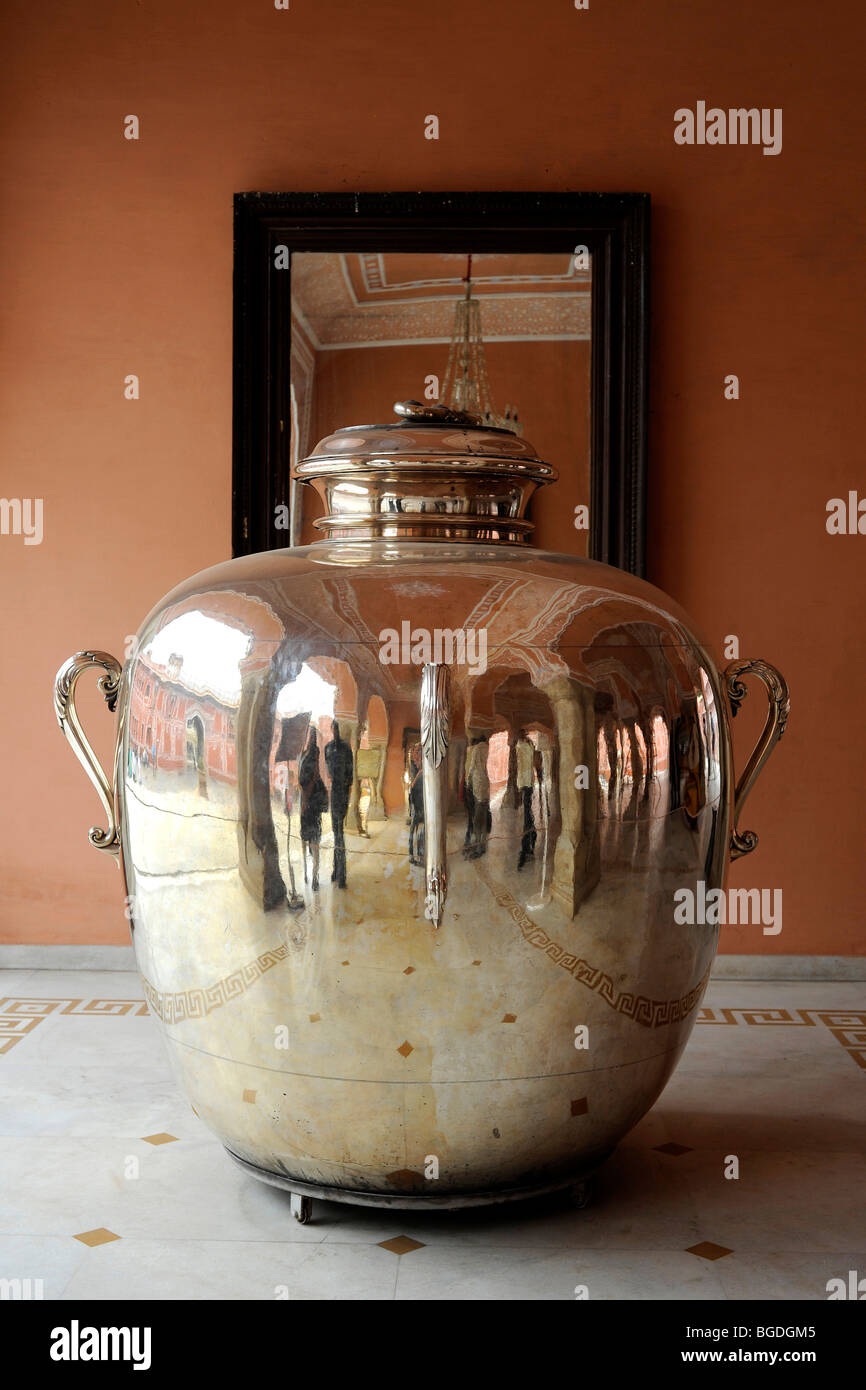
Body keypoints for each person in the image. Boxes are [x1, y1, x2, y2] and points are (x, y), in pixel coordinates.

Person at [324, 720, 354, 889]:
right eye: (333, 728)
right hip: (334, 793)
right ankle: (337, 871)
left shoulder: (346, 748)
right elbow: (328, 770)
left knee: (340, 834)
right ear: (331, 730)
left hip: (342, 793)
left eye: (337, 728)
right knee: (336, 833)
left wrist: (345, 790)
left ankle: (341, 874)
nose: (335, 731)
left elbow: (351, 774)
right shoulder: (327, 748)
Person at [297, 728, 328, 891]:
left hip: (310, 801)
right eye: (311, 735)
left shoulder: (311, 753)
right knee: (309, 839)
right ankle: (308, 875)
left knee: (314, 841)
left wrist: (307, 797)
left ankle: (314, 877)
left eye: (313, 735)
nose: (311, 738)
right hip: (307, 801)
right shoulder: (304, 754)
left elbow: (312, 776)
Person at [465, 734, 490, 858]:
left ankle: (477, 847)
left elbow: (471, 767)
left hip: (477, 783)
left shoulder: (475, 750)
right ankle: (483, 844)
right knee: (484, 815)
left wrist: (468, 782)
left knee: (477, 819)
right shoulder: (487, 748)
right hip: (486, 783)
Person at [515, 728, 537, 869]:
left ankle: (527, 844)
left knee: (527, 813)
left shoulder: (524, 745)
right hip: (526, 781)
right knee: (527, 812)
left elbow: (522, 765)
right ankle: (530, 835)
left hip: (526, 781)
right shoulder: (525, 745)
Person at [408, 744, 425, 864]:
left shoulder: (421, 763)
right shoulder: (414, 765)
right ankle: (412, 855)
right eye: (417, 751)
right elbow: (412, 785)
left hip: (421, 800)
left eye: (420, 751)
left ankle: (420, 854)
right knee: (414, 828)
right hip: (415, 800)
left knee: (421, 830)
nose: (417, 755)